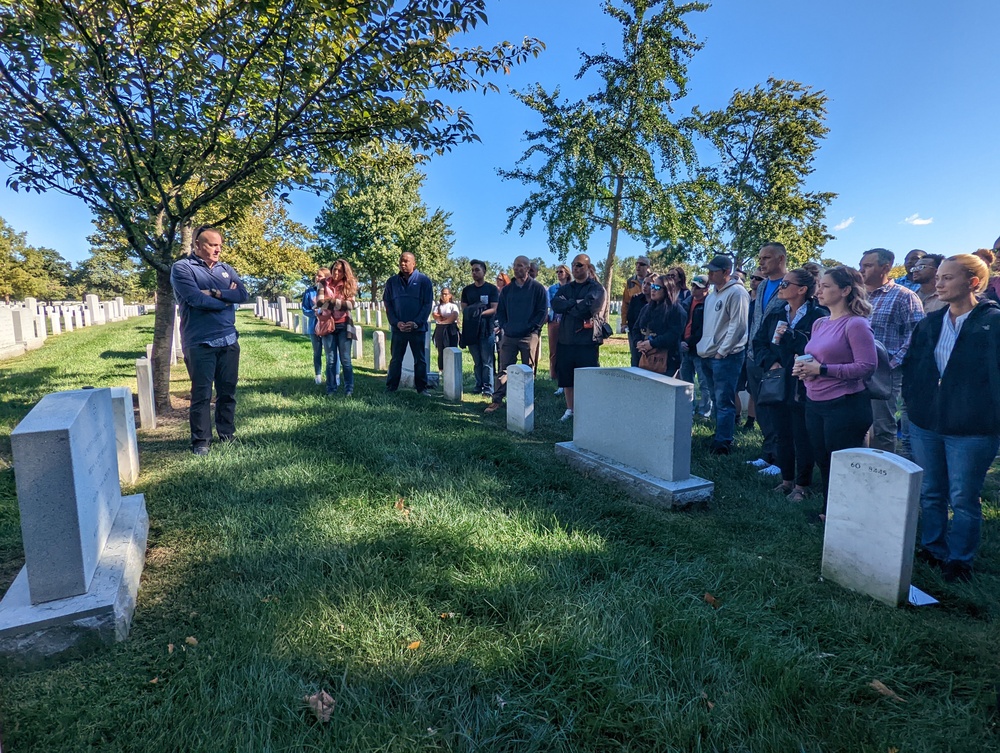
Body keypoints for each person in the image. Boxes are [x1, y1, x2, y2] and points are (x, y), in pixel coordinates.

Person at [902, 254, 1000, 583]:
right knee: (931, 490)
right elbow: (914, 366)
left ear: (973, 283)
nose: (939, 284)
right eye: (939, 277)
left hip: (973, 428)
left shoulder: (993, 322)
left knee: (963, 496)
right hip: (926, 423)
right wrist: (914, 402)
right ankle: (932, 548)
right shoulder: (930, 323)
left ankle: (959, 559)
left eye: (948, 278)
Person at [792, 266, 876, 517]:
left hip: (845, 404)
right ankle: (831, 512)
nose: (819, 291)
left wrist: (822, 369)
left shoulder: (856, 325)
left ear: (845, 290)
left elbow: (867, 366)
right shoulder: (820, 323)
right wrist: (804, 367)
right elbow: (818, 359)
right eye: (820, 285)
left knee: (843, 464)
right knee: (824, 461)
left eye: (826, 286)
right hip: (815, 401)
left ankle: (844, 515)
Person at [170, 225, 249, 455]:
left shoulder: (226, 269)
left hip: (228, 339)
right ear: (197, 244)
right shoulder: (183, 268)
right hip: (200, 341)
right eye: (212, 245)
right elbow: (195, 299)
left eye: (220, 246)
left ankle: (227, 434)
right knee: (201, 394)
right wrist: (226, 299)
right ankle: (201, 442)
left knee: (227, 392)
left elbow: (242, 294)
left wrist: (215, 293)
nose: (218, 250)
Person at [752, 268, 829, 502]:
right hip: (778, 382)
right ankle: (786, 480)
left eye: (785, 284)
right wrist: (771, 362)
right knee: (781, 433)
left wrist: (795, 340)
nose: (780, 288)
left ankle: (802, 484)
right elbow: (759, 342)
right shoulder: (777, 312)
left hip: (804, 385)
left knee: (802, 435)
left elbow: (821, 348)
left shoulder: (818, 315)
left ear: (802, 289)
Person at [859, 248, 924, 453]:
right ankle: (857, 472)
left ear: (885, 267)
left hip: (884, 372)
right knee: (857, 424)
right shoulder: (857, 296)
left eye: (868, 266)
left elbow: (916, 336)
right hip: (854, 369)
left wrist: (891, 365)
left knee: (882, 427)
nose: (862, 271)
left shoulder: (905, 296)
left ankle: (882, 476)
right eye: (861, 266)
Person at [696, 255, 750, 455]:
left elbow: (738, 325)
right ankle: (720, 433)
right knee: (716, 398)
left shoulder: (737, 292)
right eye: (709, 271)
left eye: (713, 271)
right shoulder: (712, 295)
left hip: (727, 356)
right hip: (708, 353)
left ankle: (724, 441)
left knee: (725, 399)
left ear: (726, 272)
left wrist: (722, 351)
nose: (709, 275)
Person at [485, 255, 548, 414]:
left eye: (520, 265)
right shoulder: (507, 290)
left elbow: (541, 312)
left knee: (528, 369)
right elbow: (501, 312)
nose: (516, 268)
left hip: (529, 335)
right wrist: (506, 326)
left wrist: (532, 328)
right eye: (515, 265)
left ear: (528, 268)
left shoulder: (537, 288)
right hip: (510, 335)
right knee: (504, 369)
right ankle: (497, 400)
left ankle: (526, 401)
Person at [746, 243, 788, 472]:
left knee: (777, 410)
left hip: (776, 357)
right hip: (754, 354)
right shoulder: (761, 287)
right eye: (760, 258)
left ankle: (782, 460)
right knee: (761, 407)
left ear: (780, 259)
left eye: (766, 258)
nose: (761, 262)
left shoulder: (790, 284)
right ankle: (767, 454)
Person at [551, 253, 607, 421]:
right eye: (574, 265)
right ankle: (570, 409)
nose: (575, 268)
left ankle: (588, 409)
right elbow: (556, 304)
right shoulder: (566, 288)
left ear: (588, 268)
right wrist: (575, 302)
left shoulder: (596, 288)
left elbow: (590, 308)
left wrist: (571, 305)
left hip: (587, 341)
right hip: (566, 339)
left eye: (580, 265)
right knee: (567, 377)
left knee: (587, 378)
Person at [383, 251, 434, 394]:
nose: (403, 264)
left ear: (414, 263)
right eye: (401, 261)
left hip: (417, 329)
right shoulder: (392, 282)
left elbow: (427, 304)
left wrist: (416, 322)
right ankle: (391, 387)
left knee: (420, 360)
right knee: (396, 359)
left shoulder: (424, 281)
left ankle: (421, 388)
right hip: (399, 328)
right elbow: (388, 303)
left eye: (406, 261)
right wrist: (395, 322)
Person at [460, 260, 499, 396]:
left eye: (477, 270)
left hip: (486, 329)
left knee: (487, 360)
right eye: (472, 270)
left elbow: (494, 308)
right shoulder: (467, 290)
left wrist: (478, 313)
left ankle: (488, 388)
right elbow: (464, 309)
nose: (474, 273)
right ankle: (478, 385)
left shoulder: (491, 289)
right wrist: (474, 311)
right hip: (471, 329)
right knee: (477, 360)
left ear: (484, 271)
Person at [635, 274, 685, 376]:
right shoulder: (646, 308)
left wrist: (652, 343)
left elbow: (673, 335)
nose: (653, 290)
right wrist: (638, 342)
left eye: (657, 287)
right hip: (645, 357)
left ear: (667, 290)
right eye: (653, 286)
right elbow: (636, 328)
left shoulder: (676, 310)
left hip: (668, 361)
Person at [680, 274, 713, 417]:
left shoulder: (710, 304)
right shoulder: (686, 302)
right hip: (684, 348)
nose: (694, 289)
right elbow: (680, 323)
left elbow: (705, 328)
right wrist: (681, 341)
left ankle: (705, 412)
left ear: (707, 288)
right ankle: (689, 409)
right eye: (693, 285)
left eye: (698, 287)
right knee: (686, 382)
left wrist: (689, 342)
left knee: (704, 382)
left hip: (700, 349)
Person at [621, 256, 652, 365]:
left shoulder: (654, 279)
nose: (638, 266)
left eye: (642, 264)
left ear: (648, 267)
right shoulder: (630, 282)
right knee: (635, 355)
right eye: (637, 263)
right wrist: (624, 323)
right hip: (634, 326)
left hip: (650, 327)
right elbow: (625, 303)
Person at [302, 268, 330, 384]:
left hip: (328, 327)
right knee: (317, 352)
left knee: (331, 353)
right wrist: (313, 313)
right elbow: (304, 309)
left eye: (320, 276)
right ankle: (318, 376)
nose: (317, 278)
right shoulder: (309, 292)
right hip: (314, 327)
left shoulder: (330, 291)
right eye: (316, 276)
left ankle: (334, 376)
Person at [548, 264, 571, 393]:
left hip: (568, 322)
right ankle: (554, 375)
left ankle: (565, 378)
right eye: (557, 272)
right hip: (554, 321)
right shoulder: (552, 288)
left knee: (566, 350)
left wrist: (563, 302)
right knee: (554, 350)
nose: (558, 274)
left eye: (561, 271)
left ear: (567, 273)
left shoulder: (572, 287)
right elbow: (552, 303)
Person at [431, 287, 460, 373]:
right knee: (441, 349)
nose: (444, 296)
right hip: (440, 329)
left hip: (451, 329)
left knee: (451, 348)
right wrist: (442, 320)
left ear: (450, 295)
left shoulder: (453, 306)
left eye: (446, 294)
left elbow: (454, 315)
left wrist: (446, 321)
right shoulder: (437, 306)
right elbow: (435, 315)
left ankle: (452, 369)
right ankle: (441, 369)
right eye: (442, 294)